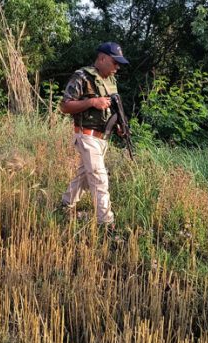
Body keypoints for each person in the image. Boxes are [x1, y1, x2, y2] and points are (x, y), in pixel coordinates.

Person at [59, 42, 129, 231]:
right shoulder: (82, 76)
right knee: (99, 178)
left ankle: (65, 205)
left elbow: (112, 109)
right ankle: (106, 225)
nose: (117, 67)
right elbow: (64, 106)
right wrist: (92, 101)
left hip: (102, 138)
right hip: (86, 136)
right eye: (115, 63)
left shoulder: (111, 81)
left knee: (83, 176)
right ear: (102, 58)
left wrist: (119, 128)